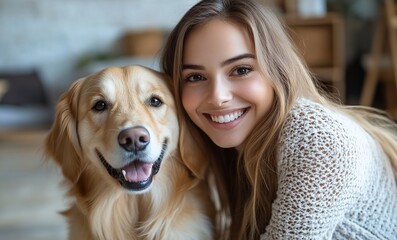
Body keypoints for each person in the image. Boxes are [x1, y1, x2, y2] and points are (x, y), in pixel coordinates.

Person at [160, 0, 397, 239]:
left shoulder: (316, 138)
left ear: (277, 69)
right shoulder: (238, 151)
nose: (218, 97)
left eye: (241, 70)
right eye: (195, 76)